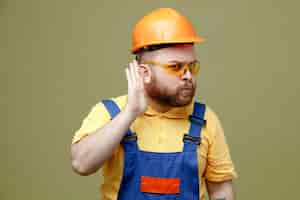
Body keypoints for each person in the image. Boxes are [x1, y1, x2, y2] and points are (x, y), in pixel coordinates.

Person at [71, 7, 238, 200]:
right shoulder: (110, 112)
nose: (188, 76)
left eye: (192, 66)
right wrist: (129, 113)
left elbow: (221, 193)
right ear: (145, 73)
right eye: (175, 67)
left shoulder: (205, 119)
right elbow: (81, 164)